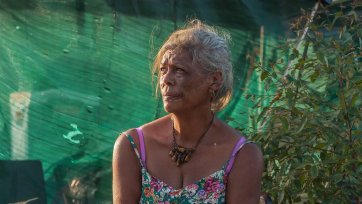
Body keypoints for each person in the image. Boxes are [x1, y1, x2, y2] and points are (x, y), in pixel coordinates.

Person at [112, 19, 263, 203]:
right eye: (163, 70)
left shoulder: (241, 155)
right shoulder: (132, 147)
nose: (166, 80)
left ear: (214, 80)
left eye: (179, 71)